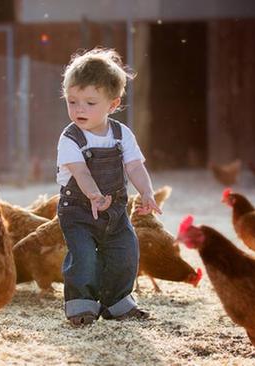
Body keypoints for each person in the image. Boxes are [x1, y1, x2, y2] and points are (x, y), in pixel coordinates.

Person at [56, 47, 162, 327]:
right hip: (78, 210)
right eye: (72, 101)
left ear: (112, 105)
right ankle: (81, 307)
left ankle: (117, 304)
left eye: (90, 103)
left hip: (114, 209)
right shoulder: (70, 138)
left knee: (125, 252)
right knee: (83, 258)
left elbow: (135, 166)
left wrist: (146, 191)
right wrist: (93, 194)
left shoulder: (121, 134)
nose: (79, 109)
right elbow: (80, 171)